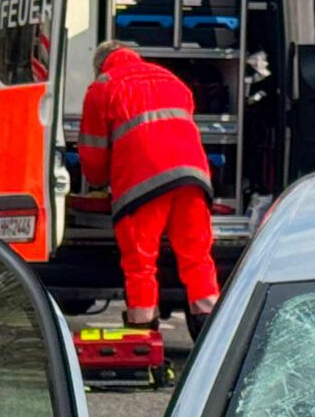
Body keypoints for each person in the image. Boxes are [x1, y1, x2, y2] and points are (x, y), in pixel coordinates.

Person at [78, 40, 219, 338]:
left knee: (140, 264)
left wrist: (97, 183)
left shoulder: (103, 86)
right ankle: (210, 336)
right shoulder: (171, 79)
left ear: (100, 65)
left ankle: (143, 340)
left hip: (141, 185)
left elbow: (93, 150)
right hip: (192, 177)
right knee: (197, 257)